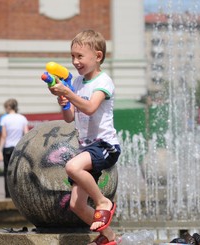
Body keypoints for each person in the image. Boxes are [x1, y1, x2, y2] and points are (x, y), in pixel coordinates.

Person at [48, 30, 121, 245]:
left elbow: (89, 108)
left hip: (105, 145)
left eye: (80, 56)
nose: (75, 61)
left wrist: (69, 93)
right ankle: (109, 237)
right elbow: (70, 118)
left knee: (72, 167)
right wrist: (63, 103)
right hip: (87, 148)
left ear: (97, 57)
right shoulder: (78, 83)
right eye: (72, 56)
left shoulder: (104, 81)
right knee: (76, 206)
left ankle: (102, 202)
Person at [0, 98, 28, 198]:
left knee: (7, 171)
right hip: (19, 147)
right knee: (19, 170)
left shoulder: (4, 119)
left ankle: (8, 194)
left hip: (8, 147)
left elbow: (3, 135)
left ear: (8, 107)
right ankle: (19, 193)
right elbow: (26, 134)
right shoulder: (22, 118)